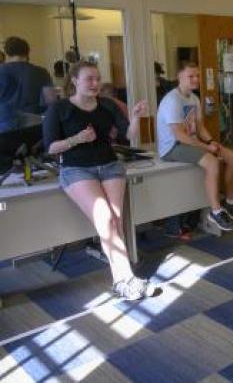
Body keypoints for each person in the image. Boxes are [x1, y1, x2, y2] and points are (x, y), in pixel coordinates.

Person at [43, 61, 155, 300]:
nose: (95, 84)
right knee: (106, 220)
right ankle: (125, 280)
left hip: (110, 166)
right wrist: (76, 139)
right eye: (89, 79)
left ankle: (123, 280)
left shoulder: (107, 105)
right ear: (74, 81)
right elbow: (51, 148)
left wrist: (135, 117)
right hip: (76, 169)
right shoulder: (59, 109)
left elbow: (128, 136)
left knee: (115, 220)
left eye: (97, 79)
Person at [156, 60, 233, 232]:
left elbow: (199, 127)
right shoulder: (172, 100)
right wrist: (206, 148)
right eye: (191, 76)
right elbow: (179, 135)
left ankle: (230, 203)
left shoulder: (194, 98)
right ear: (179, 77)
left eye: (197, 76)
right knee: (212, 162)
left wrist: (210, 142)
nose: (195, 80)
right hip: (173, 147)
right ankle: (215, 211)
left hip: (190, 142)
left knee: (232, 157)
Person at [0, 37, 53, 119]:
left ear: (7, 53)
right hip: (36, 124)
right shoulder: (42, 72)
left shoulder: (2, 71)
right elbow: (50, 101)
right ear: (27, 52)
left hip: (6, 124)